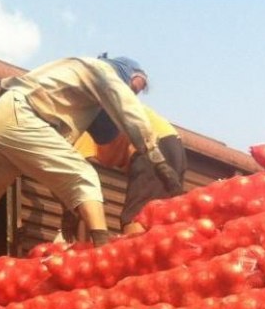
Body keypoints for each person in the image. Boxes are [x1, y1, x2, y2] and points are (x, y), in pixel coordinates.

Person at [0, 54, 183, 266]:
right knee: (85, 176)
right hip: (21, 116)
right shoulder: (102, 70)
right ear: (123, 71)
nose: (133, 94)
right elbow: (128, 109)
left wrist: (69, 206)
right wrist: (156, 156)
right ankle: (103, 250)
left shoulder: (76, 85)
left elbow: (62, 156)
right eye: (134, 86)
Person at [69, 89, 186, 237]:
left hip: (152, 143)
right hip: (172, 143)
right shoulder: (96, 115)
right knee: (161, 216)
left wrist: (70, 214)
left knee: (137, 216)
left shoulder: (81, 128)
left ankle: (133, 258)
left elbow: (81, 187)